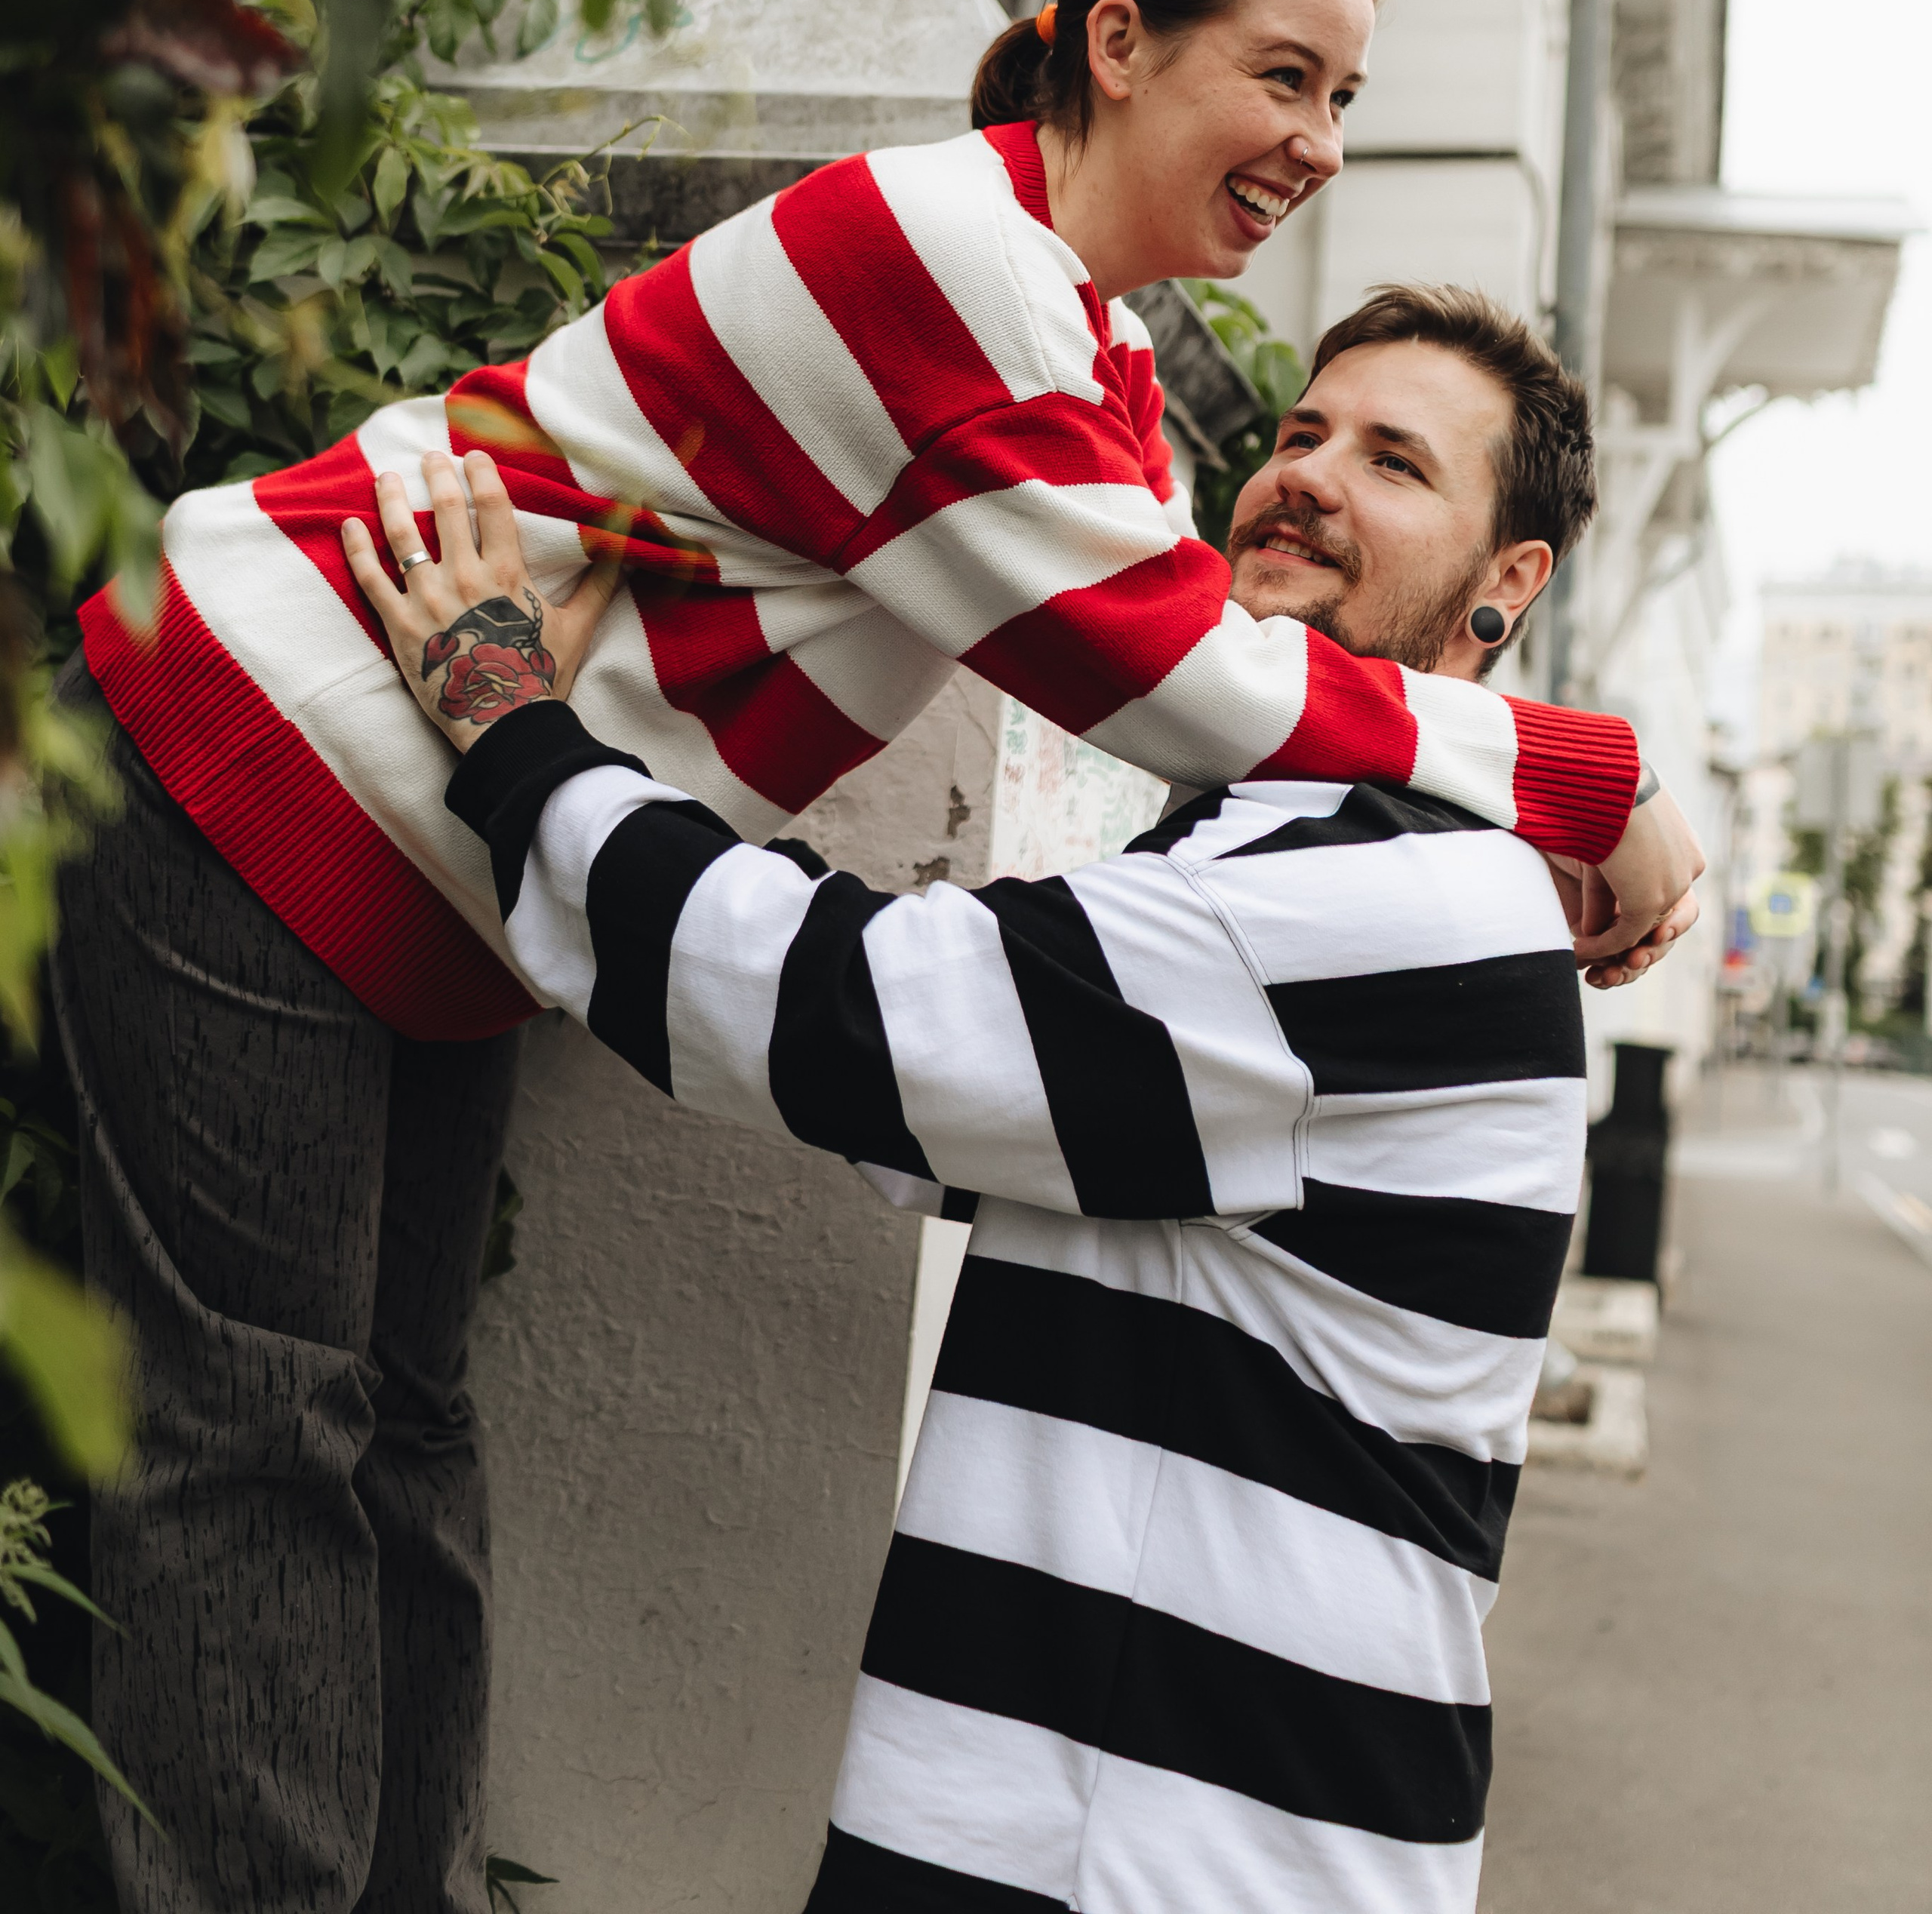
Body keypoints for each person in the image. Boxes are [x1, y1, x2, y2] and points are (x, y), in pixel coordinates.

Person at [59, 0, 1697, 1911]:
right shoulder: (940, 254)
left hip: (459, 852)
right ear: (1117, 42)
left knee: (380, 1437)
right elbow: (1181, 675)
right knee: (255, 1455)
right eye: (1286, 75)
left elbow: (999, 942)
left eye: (1347, 100)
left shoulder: (1095, 367)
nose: (1318, 143)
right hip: (278, 735)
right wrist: (1586, 772)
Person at [348, 278, 1681, 1914]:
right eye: (1296, 431)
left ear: (1505, 586)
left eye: (1395, 463)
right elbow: (948, 1108)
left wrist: (512, 730)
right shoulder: (1292, 855)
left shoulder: (1384, 900)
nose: (1309, 476)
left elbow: (853, 1019)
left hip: (1155, 1848)